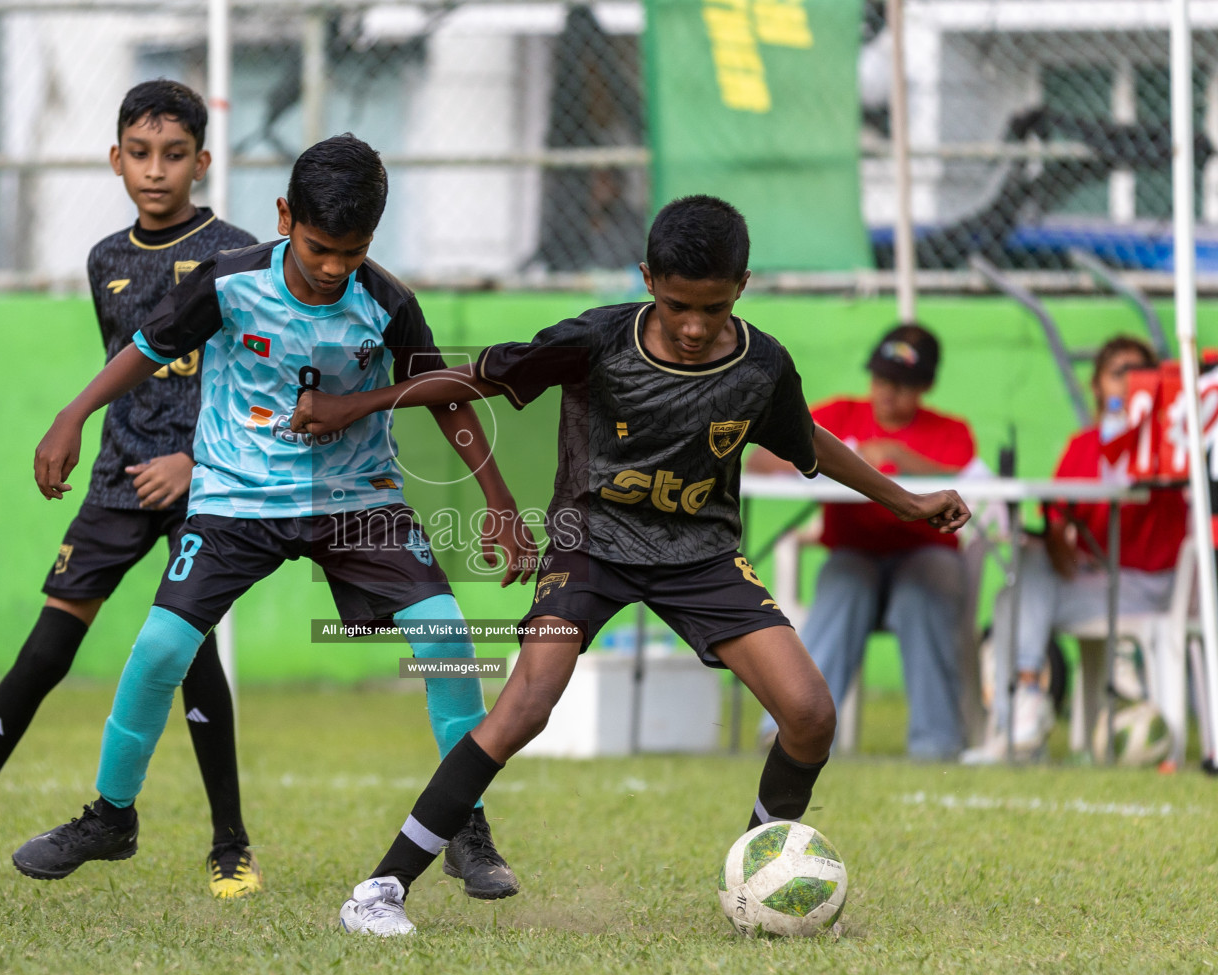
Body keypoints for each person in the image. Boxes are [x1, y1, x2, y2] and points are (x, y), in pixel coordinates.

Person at [287, 195, 970, 935]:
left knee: (809, 715)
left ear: (743, 284)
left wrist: (904, 500)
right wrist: (359, 405)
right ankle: (381, 889)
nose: (693, 326)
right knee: (527, 702)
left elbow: (807, 440)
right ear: (648, 278)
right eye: (677, 304)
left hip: (701, 557)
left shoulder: (762, 364)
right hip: (591, 546)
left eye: (712, 307)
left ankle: (759, 881)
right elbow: (476, 378)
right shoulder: (598, 339)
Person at [12, 134, 537, 900]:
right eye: (320, 247)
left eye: (351, 253)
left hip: (358, 499)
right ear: (286, 215)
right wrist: (74, 413)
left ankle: (468, 829)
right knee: (161, 647)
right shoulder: (226, 284)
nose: (332, 268)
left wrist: (498, 502)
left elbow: (444, 394)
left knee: (448, 637)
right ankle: (110, 817)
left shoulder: (386, 302)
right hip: (235, 499)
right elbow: (147, 347)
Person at [0, 81, 264, 897]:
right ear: (115, 160)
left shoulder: (241, 255)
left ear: (203, 162)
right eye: (140, 155)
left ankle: (231, 846)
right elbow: (124, 371)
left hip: (206, 481)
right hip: (116, 481)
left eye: (175, 156)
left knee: (187, 651)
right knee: (43, 653)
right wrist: (79, 430)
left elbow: (249, 387)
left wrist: (198, 465)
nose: (156, 171)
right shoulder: (104, 259)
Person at [752, 325, 977, 760]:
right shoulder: (835, 416)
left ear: (926, 385)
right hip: (854, 554)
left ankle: (937, 745)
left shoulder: (952, 431)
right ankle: (790, 729)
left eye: (903, 383)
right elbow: (761, 459)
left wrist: (898, 454)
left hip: (925, 554)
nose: (888, 391)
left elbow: (971, 480)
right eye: (881, 378)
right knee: (843, 585)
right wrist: (836, 459)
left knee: (923, 593)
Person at [965, 335, 1186, 763]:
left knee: (1016, 594)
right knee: (1019, 577)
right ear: (1097, 385)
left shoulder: (1167, 443)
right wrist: (1056, 543)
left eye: (1141, 372)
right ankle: (1025, 707)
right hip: (1091, 577)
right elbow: (1062, 517)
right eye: (1118, 372)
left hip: (1146, 583)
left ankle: (1022, 717)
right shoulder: (1083, 445)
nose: (1129, 382)